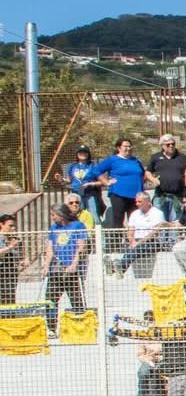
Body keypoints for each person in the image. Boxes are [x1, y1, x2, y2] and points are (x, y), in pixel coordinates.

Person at [42, 199, 92, 332]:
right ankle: (51, 328)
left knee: (76, 299)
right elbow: (50, 247)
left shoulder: (77, 225)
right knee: (50, 299)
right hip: (56, 268)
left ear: (61, 214)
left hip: (71, 268)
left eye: (53, 215)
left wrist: (74, 263)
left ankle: (81, 327)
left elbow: (81, 246)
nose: (52, 218)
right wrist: (46, 265)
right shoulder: (54, 228)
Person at [87, 137, 150, 239]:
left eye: (130, 146)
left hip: (136, 196)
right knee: (118, 219)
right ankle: (116, 245)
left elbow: (143, 174)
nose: (128, 148)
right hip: (118, 194)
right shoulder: (112, 160)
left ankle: (134, 242)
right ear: (119, 148)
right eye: (125, 146)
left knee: (134, 220)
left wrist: (142, 183)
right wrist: (106, 182)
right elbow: (96, 170)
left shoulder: (136, 161)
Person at [148, 134, 186, 221]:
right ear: (162, 146)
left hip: (178, 197)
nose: (171, 146)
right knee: (160, 222)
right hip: (160, 196)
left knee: (175, 222)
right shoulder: (155, 157)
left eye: (173, 144)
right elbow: (148, 171)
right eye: (168, 144)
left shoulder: (182, 158)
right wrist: (152, 179)